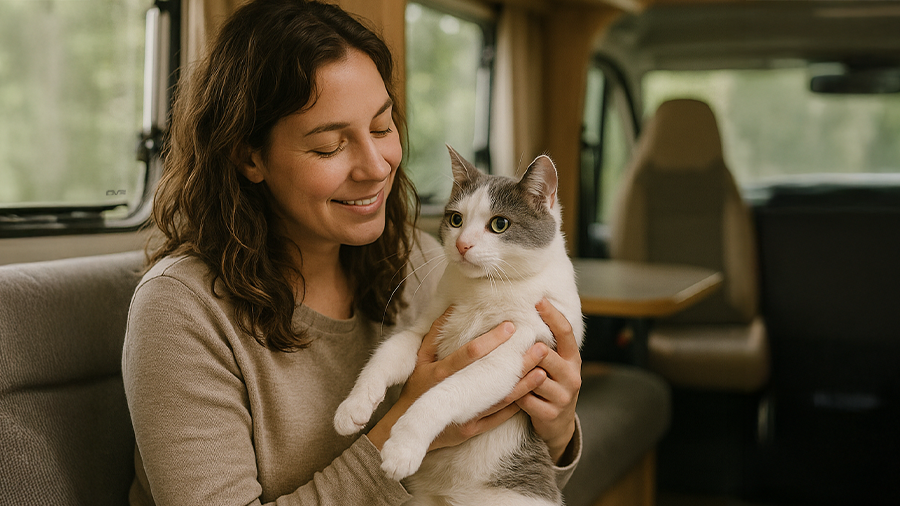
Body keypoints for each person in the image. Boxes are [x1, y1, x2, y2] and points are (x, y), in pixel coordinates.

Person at [122, 1, 583, 504]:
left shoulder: (418, 258)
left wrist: (556, 430)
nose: (376, 166)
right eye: (329, 147)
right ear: (250, 156)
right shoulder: (181, 311)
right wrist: (405, 424)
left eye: (383, 128)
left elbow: (497, 477)